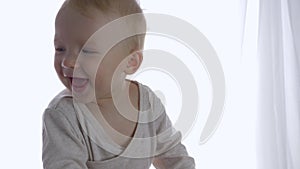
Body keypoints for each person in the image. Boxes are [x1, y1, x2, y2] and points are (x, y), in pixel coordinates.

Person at [42, 0, 195, 168]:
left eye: (87, 50)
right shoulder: (64, 115)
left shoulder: (147, 104)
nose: (68, 62)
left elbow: (175, 158)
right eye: (60, 49)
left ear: (130, 62)